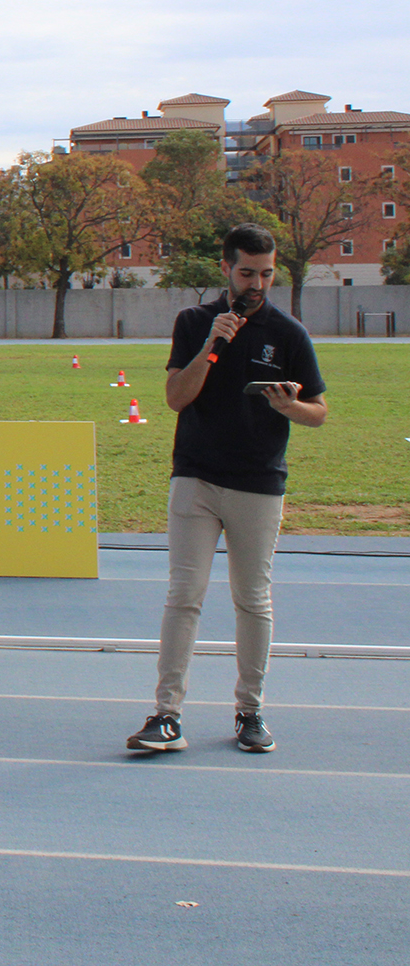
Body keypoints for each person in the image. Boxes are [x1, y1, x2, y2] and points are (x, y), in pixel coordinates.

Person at [127, 223, 328, 756]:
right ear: (226, 269)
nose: (257, 283)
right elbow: (174, 397)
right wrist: (213, 344)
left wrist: (290, 406)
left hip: (259, 482)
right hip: (195, 476)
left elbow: (319, 413)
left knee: (252, 599)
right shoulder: (194, 321)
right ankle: (166, 714)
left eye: (266, 273)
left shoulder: (289, 334)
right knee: (183, 596)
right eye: (247, 272)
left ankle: (250, 711)